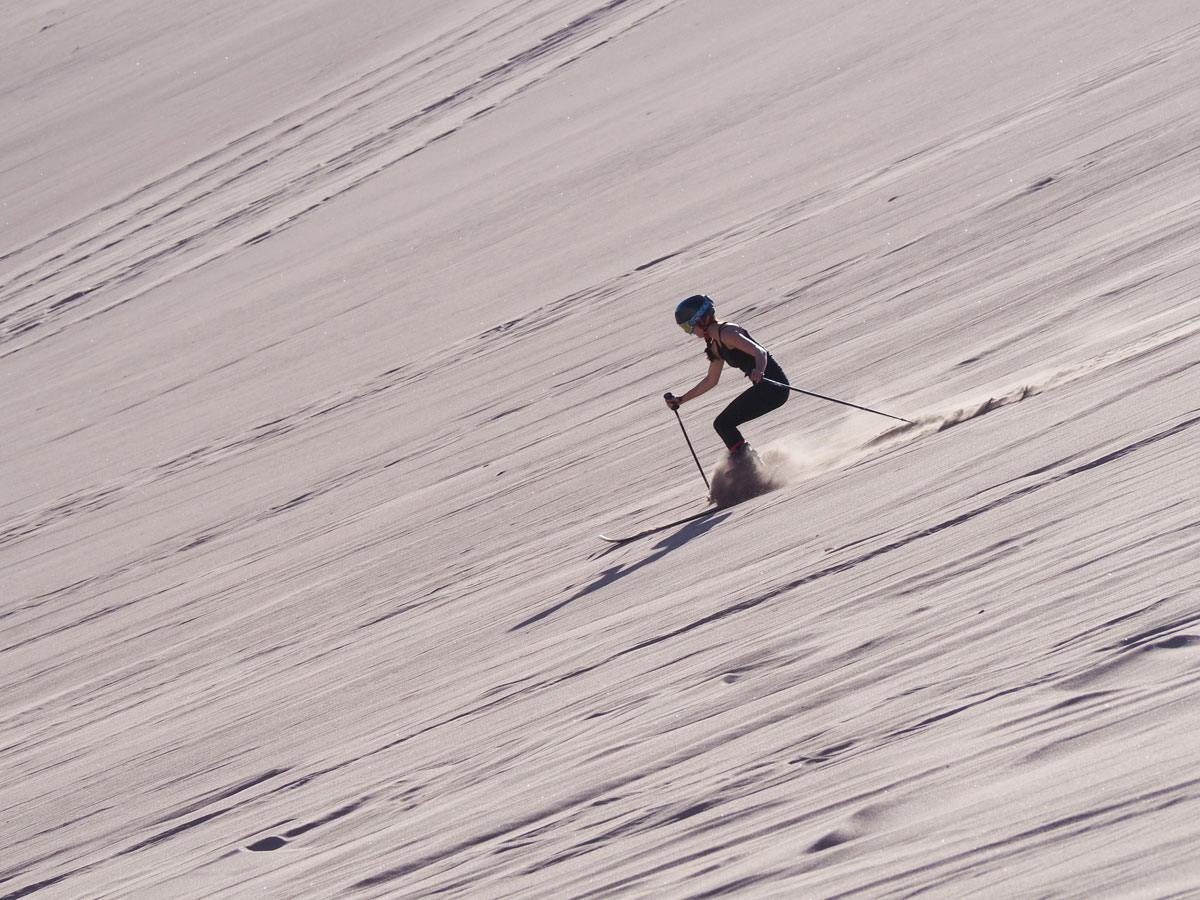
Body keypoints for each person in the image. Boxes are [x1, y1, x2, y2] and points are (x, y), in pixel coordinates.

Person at [665, 294, 789, 461]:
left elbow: (760, 352)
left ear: (700, 320)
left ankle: (751, 465)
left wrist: (759, 370)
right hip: (763, 388)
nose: (690, 333)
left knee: (723, 424)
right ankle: (750, 465)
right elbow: (711, 380)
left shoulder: (728, 333)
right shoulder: (716, 345)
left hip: (775, 386)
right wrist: (681, 399)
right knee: (723, 424)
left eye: (688, 327)